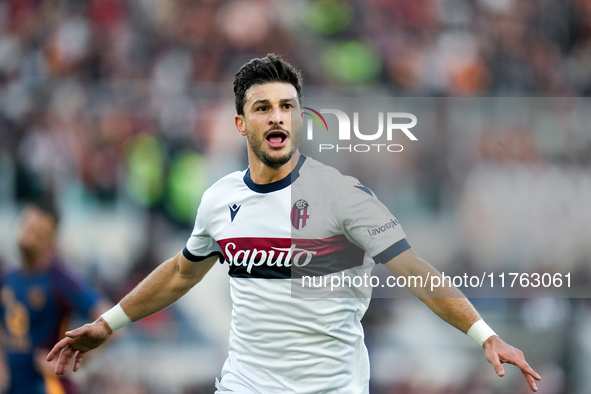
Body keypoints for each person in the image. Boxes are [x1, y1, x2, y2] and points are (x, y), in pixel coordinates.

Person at [47, 54, 542, 393]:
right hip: (245, 383)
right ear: (241, 123)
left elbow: (417, 273)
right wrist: (108, 324)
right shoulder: (220, 200)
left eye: (287, 106)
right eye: (262, 108)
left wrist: (485, 335)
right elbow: (182, 271)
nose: (277, 117)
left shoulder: (344, 197)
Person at [0, 201, 110, 394]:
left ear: (50, 240)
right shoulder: (9, 278)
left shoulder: (60, 280)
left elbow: (110, 322)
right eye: (26, 226)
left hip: (48, 387)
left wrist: (75, 362)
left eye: (37, 232)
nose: (27, 235)